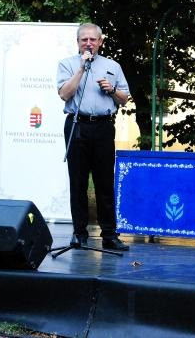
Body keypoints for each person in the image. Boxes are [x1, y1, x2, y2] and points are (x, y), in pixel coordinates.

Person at [56, 23, 130, 251]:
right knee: (78, 182)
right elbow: (64, 94)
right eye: (84, 40)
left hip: (103, 126)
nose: (88, 43)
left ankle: (109, 235)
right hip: (77, 124)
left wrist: (112, 90)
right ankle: (79, 234)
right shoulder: (67, 64)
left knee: (104, 182)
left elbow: (124, 99)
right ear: (78, 42)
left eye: (93, 39)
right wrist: (81, 69)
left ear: (100, 42)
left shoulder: (113, 66)